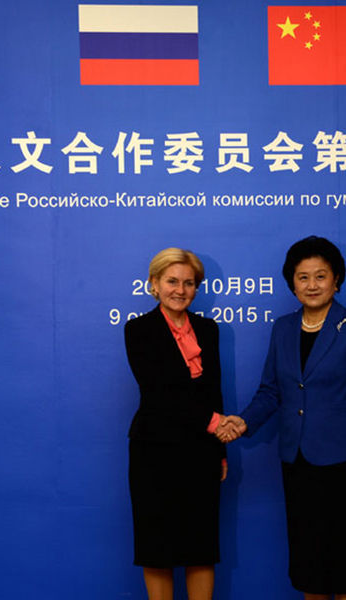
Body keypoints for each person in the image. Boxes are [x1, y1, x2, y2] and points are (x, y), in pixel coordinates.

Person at [221, 236, 346, 600]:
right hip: (297, 461)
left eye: (320, 276)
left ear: (336, 280)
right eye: (303, 277)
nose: (312, 285)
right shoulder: (283, 328)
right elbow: (271, 390)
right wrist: (244, 422)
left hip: (344, 463)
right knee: (309, 562)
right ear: (292, 284)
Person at [124, 247, 231, 600]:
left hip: (201, 452)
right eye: (172, 281)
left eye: (188, 283)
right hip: (154, 453)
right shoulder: (138, 330)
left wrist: (220, 451)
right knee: (157, 549)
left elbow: (214, 392)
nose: (180, 290)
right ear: (154, 284)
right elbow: (159, 393)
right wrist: (216, 423)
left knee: (201, 548)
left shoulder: (209, 330)